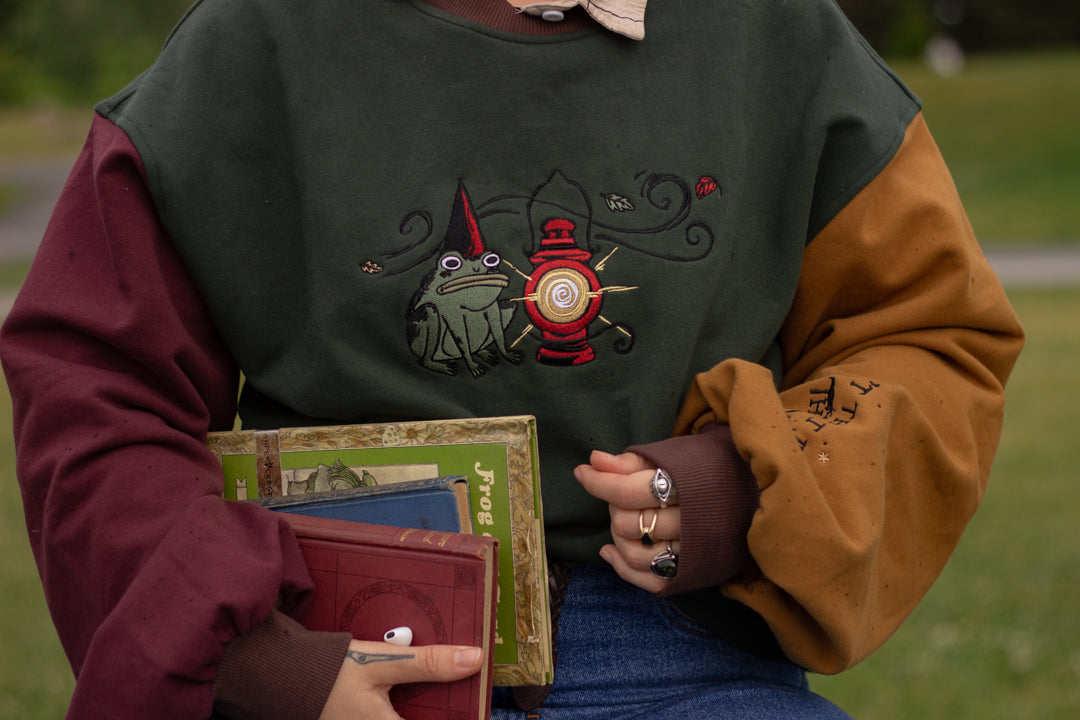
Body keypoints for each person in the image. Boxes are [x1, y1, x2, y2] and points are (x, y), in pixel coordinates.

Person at [0, 1, 1024, 718]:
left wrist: (754, 487)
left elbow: (931, 336)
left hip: (689, 662)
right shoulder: (249, 39)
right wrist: (254, 659)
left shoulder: (779, 33)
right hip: (324, 654)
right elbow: (97, 389)